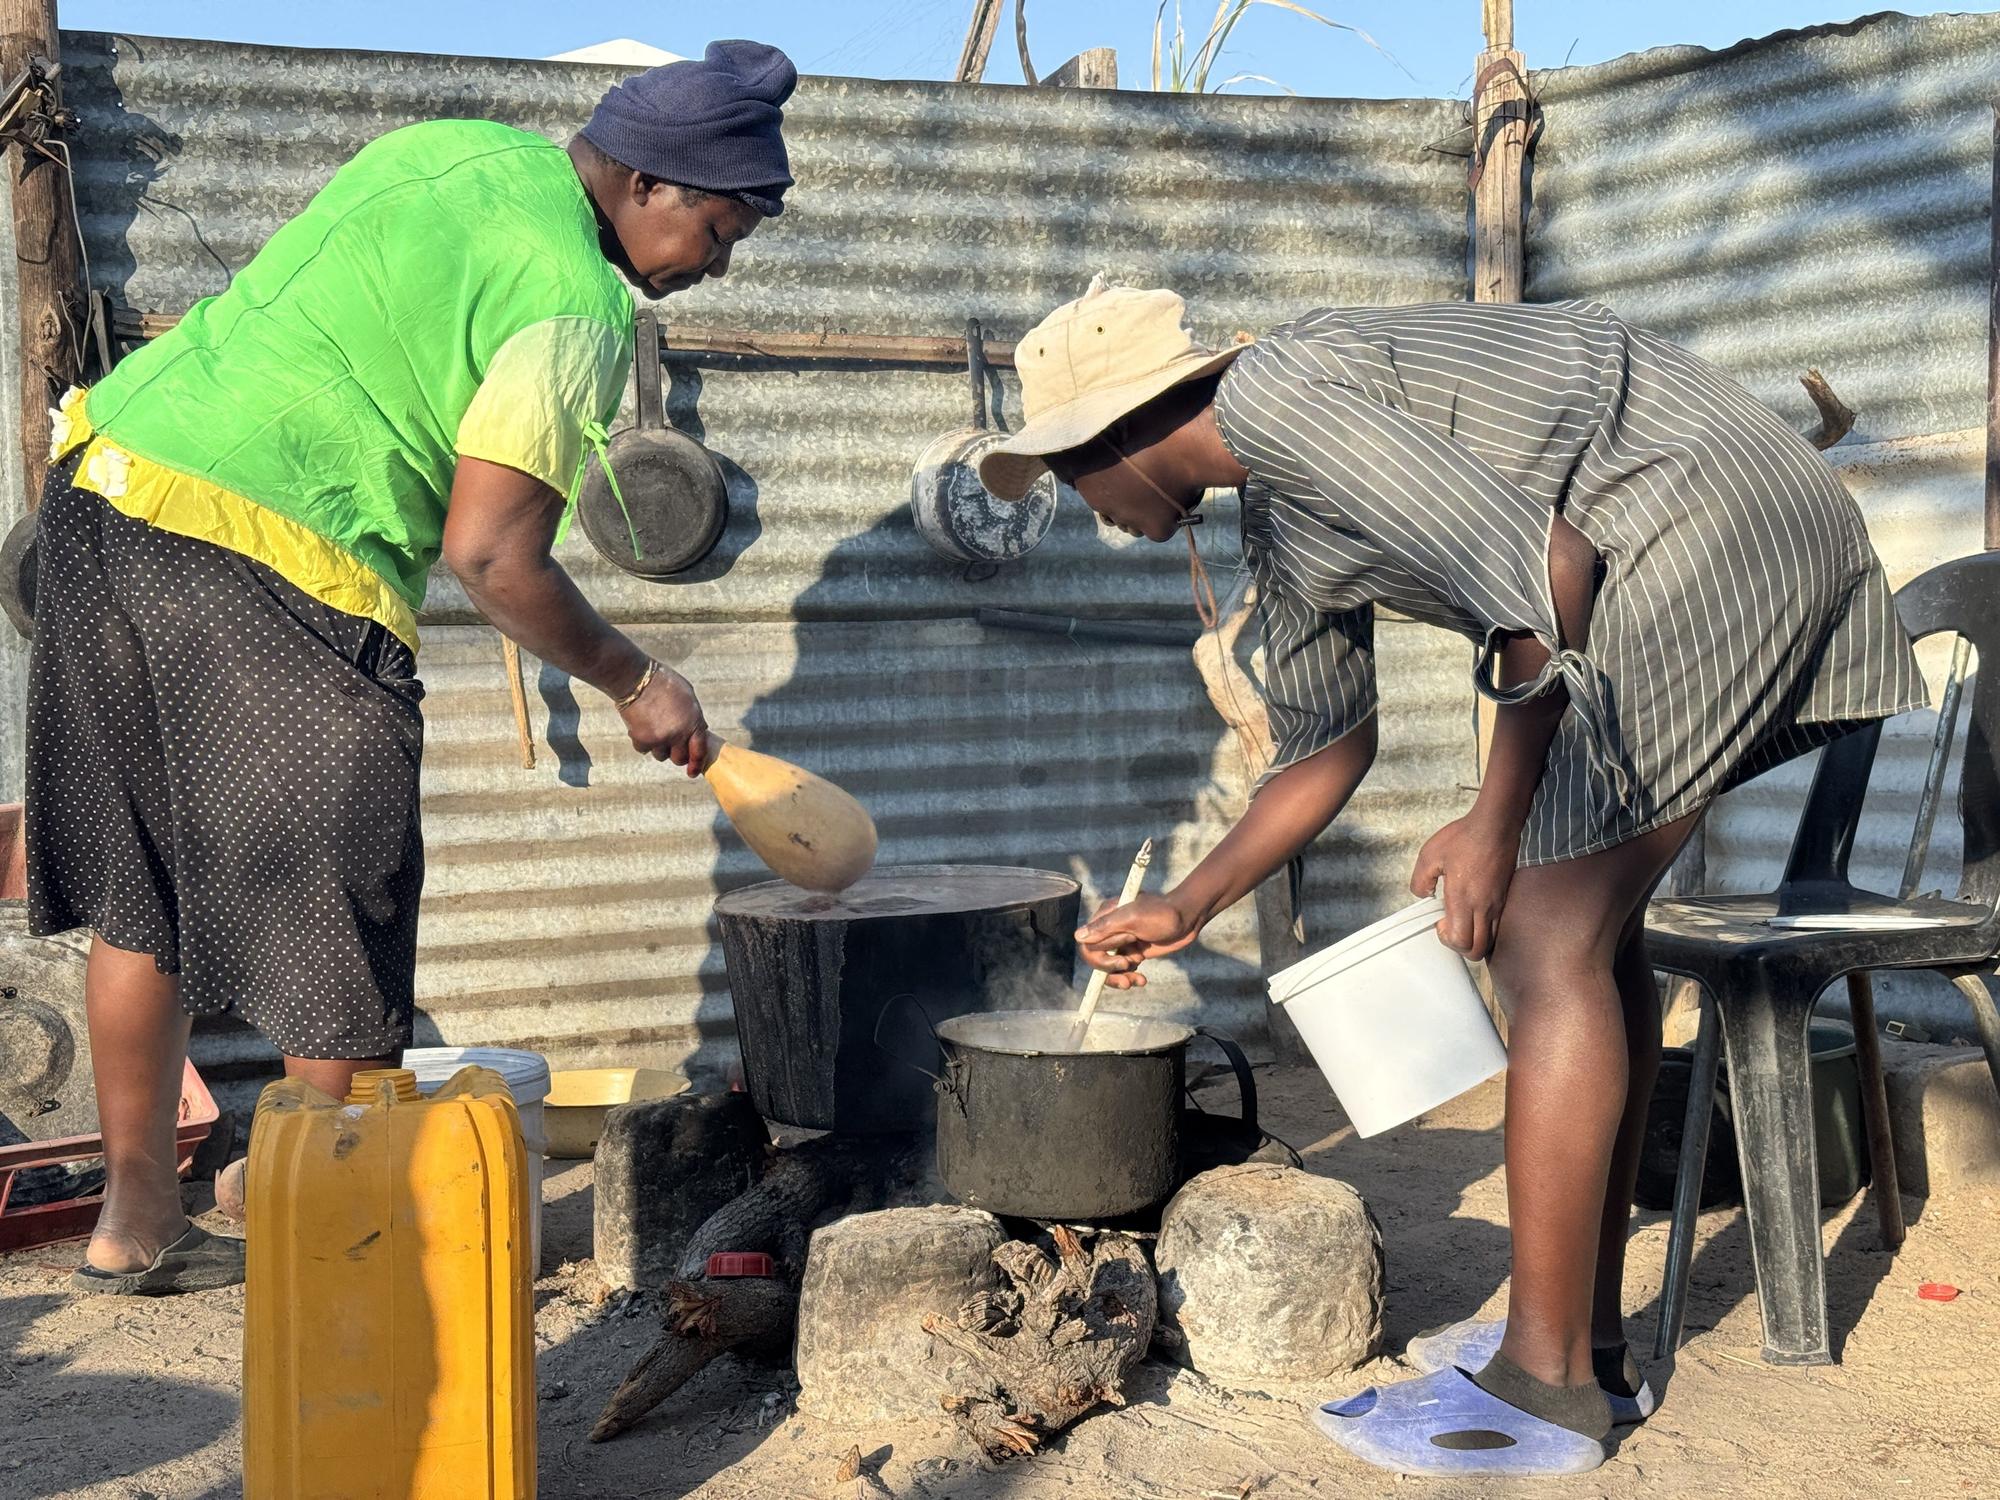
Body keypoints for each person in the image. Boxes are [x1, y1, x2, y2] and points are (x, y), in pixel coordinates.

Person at [978, 279, 1924, 1477]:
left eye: (1070, 477)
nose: (1087, 510)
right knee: (1588, 934)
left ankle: (1547, 1383)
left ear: (1118, 434)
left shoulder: (1279, 398)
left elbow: (1549, 567)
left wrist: (1492, 816)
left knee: (1543, 933)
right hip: (1658, 554)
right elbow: (1328, 745)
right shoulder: (1282, 512)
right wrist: (1186, 902)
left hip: (1705, 524)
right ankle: (1578, 1344)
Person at [28, 40, 799, 1294]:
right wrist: (635, 679)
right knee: (346, 916)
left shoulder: (456, 149)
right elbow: (494, 558)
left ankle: (140, 1218)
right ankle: (318, 1248)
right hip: (268, 549)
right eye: (721, 230)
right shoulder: (576, 305)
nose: (713, 266)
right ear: (655, 184)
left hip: (109, 486)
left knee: (148, 889)